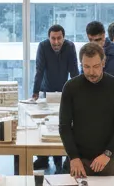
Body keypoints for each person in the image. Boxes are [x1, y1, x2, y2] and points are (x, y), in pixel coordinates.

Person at [58, 42, 114, 178]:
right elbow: (64, 126)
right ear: (81, 65)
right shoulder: (71, 87)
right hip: (78, 160)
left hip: (107, 159)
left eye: (96, 66)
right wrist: (73, 157)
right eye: (86, 67)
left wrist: (107, 154)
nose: (91, 72)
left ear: (103, 62)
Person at [32, 24, 79, 172]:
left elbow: (74, 70)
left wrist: (79, 92)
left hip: (65, 91)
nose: (56, 42)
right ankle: (43, 159)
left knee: (63, 124)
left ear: (63, 38)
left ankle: (60, 161)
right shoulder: (43, 46)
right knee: (44, 123)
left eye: (59, 38)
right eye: (53, 38)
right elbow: (39, 70)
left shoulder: (70, 47)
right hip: (47, 90)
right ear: (49, 38)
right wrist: (35, 93)